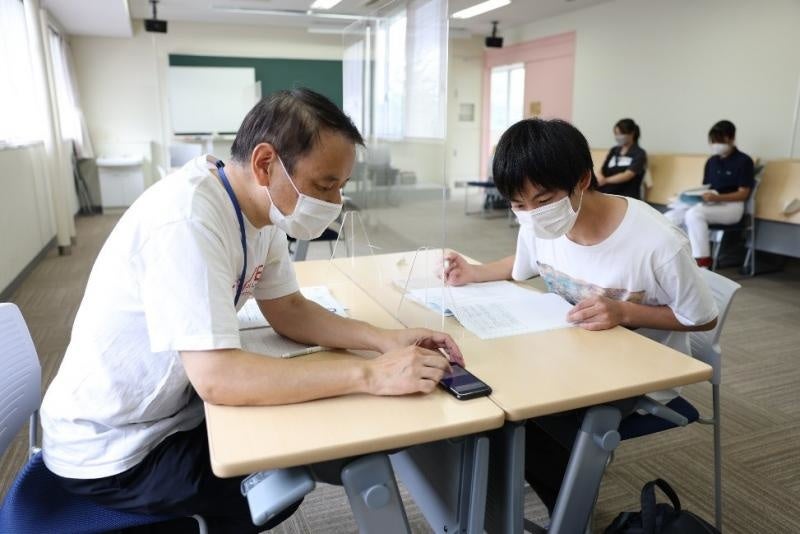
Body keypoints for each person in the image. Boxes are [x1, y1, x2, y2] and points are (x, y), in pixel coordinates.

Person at [40, 88, 463, 533]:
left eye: (341, 186)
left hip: (170, 411)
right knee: (278, 478)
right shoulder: (188, 220)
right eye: (325, 184)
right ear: (265, 164)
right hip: (117, 446)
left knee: (295, 438)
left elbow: (290, 310)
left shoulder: (259, 212)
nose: (336, 202)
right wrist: (371, 375)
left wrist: (382, 340)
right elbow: (218, 378)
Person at [443, 118, 717, 520]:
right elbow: (521, 266)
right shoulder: (540, 225)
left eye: (542, 200)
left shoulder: (656, 243)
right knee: (484, 390)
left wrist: (624, 311)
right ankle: (503, 502)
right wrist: (473, 271)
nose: (532, 215)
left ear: (583, 180)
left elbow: (702, 318)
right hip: (570, 352)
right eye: (518, 205)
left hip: (640, 370)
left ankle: (568, 515)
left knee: (524, 418)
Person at [663, 120, 755, 268]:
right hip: (709, 203)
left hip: (732, 207)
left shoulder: (744, 161)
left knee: (694, 214)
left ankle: (702, 263)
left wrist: (718, 197)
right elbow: (706, 187)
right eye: (713, 141)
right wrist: (687, 196)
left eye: (719, 140)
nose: (715, 144)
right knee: (669, 217)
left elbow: (743, 194)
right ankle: (670, 259)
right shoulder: (712, 161)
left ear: (731, 138)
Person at [596, 118, 647, 199]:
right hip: (606, 192)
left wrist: (605, 180)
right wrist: (599, 176)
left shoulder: (639, 153)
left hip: (626, 195)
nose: (618, 137)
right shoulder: (614, 150)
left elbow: (628, 175)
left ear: (632, 133)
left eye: (621, 134)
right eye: (616, 134)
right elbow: (602, 169)